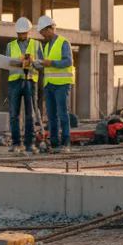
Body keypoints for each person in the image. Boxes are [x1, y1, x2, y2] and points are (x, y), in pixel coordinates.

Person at [35, 15, 74, 153]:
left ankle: (66, 142)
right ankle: (55, 143)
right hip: (49, 84)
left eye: (43, 32)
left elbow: (68, 61)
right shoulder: (45, 47)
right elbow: (43, 63)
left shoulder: (63, 43)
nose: (42, 35)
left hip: (62, 84)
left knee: (62, 114)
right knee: (51, 116)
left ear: (50, 28)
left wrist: (52, 63)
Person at [6, 16, 42, 153]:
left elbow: (41, 64)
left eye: (23, 33)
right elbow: (7, 63)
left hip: (30, 82)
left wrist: (33, 61)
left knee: (30, 114)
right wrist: (17, 62)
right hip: (14, 82)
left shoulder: (37, 45)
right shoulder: (10, 45)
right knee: (14, 114)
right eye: (19, 33)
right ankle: (16, 143)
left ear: (29, 32)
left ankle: (29, 144)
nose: (21, 36)